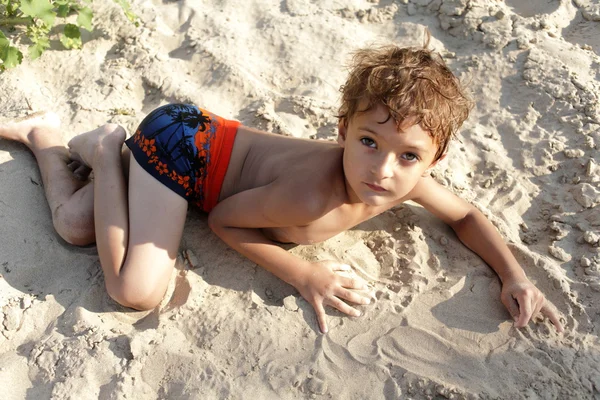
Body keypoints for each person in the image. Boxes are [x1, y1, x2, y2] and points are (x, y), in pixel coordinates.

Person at [0, 43, 563, 334]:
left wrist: (511, 273)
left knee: (76, 223)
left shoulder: (400, 181)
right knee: (136, 290)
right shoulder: (311, 196)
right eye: (368, 142)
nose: (383, 170)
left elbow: (465, 217)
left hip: (202, 145)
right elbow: (225, 220)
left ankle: (41, 134)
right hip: (182, 148)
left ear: (433, 158)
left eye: (408, 157)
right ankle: (105, 149)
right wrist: (305, 273)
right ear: (342, 130)